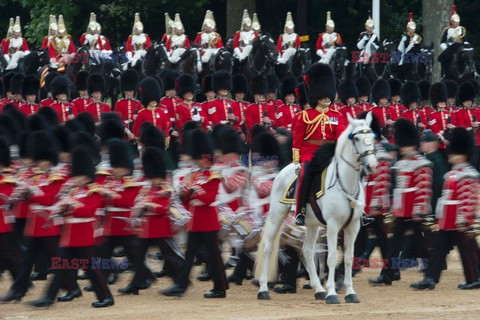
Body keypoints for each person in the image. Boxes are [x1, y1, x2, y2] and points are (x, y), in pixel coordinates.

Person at [28, 146, 114, 308]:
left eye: (80, 176)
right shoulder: (74, 191)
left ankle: (106, 297)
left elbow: (88, 210)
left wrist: (71, 203)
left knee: (92, 270)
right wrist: (55, 211)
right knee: (60, 266)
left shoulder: (94, 191)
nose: (77, 179)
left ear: (87, 176)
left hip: (84, 234)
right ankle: (48, 298)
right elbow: (63, 207)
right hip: (70, 235)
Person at [1, 130, 68, 302]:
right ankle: (18, 290)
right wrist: (21, 193)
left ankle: (71, 287)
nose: (39, 164)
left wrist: (30, 194)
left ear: (49, 160)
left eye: (42, 160)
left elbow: (49, 198)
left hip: (49, 222)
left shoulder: (57, 178)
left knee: (58, 259)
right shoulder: (38, 177)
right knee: (27, 260)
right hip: (36, 224)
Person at [410, 127, 480, 290]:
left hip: (460, 219)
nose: (450, 155)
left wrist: (464, 219)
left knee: (468, 251)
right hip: (446, 220)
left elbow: (468, 199)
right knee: (437, 248)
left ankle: (475, 278)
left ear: (462, 154)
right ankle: (430, 278)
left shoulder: (469, 173)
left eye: (453, 152)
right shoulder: (451, 174)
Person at [161, 129, 228, 298]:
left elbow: (210, 198)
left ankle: (220, 287)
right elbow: (184, 198)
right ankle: (181, 285)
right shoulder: (193, 174)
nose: (198, 161)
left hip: (207, 219)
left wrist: (195, 193)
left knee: (213, 255)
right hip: (195, 219)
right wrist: (185, 193)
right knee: (189, 254)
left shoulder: (213, 174)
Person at [369, 119, 432, 285]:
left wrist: (419, 209)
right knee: (394, 245)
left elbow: (423, 188)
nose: (403, 148)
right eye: (402, 145)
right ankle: (387, 274)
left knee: (421, 245)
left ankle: (431, 274)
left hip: (414, 210)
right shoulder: (401, 163)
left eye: (406, 145)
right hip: (401, 210)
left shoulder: (421, 163)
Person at [293, 63, 346, 226]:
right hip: (311, 153)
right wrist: (297, 161)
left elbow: (341, 134)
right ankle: (300, 212)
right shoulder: (304, 116)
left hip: (330, 152)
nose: (327, 98)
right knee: (305, 174)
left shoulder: (336, 115)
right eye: (323, 95)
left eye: (328, 95)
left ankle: (357, 209)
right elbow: (297, 140)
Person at [453, 82, 480, 169]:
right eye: (466, 100)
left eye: (470, 100)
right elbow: (461, 127)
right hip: (470, 143)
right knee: (473, 165)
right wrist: (471, 126)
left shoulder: (477, 110)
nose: (469, 102)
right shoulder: (459, 113)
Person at [428, 82, 454, 153]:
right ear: (436, 103)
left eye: (443, 101)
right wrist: (442, 139)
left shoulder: (449, 113)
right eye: (440, 101)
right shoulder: (433, 115)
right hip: (439, 145)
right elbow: (435, 130)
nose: (443, 103)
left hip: (449, 143)